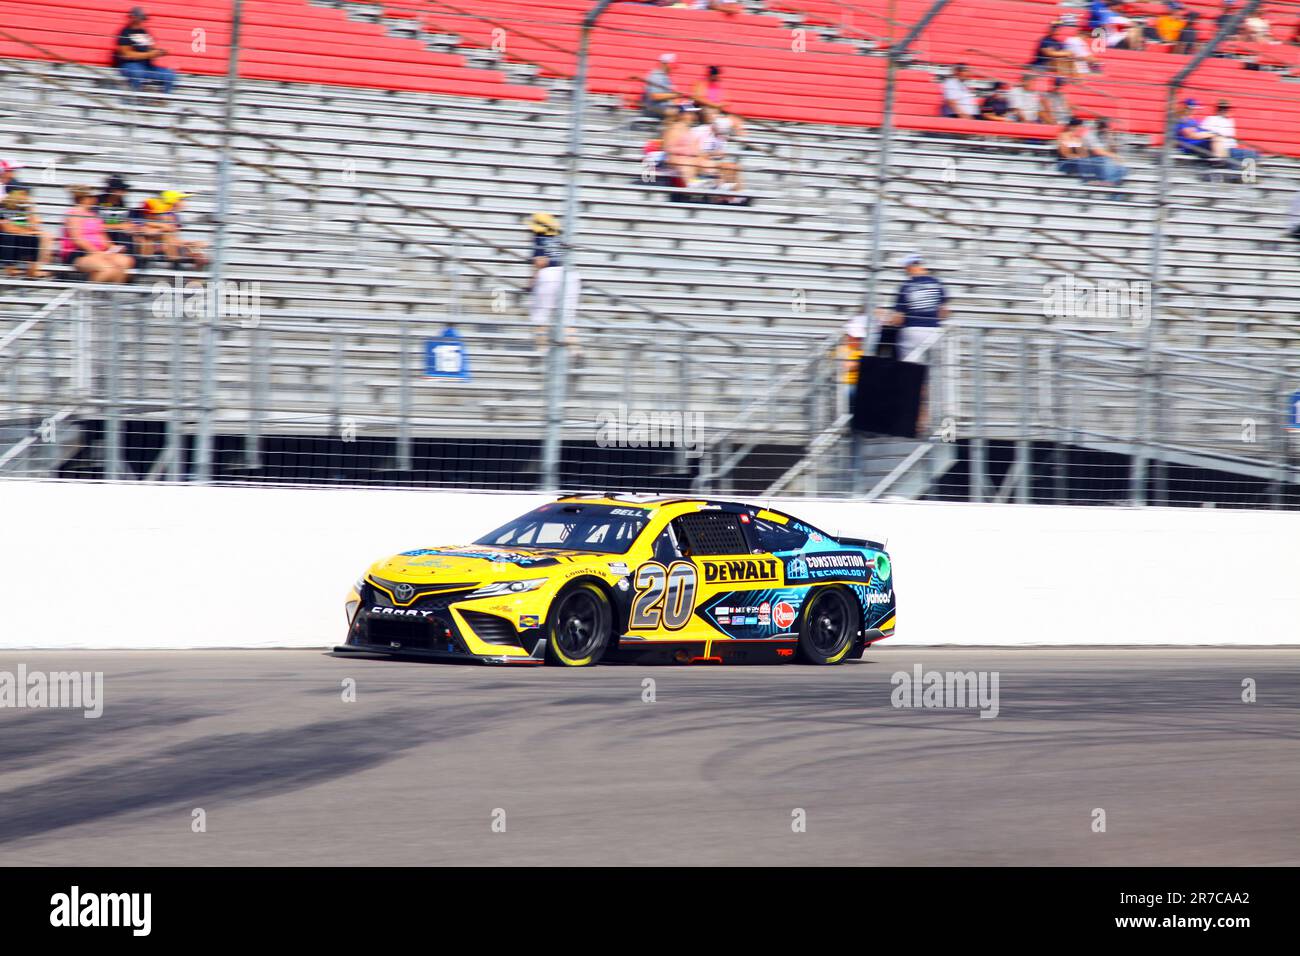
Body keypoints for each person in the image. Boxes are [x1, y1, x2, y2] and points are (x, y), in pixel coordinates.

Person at [526, 212, 580, 349]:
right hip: (570, 275)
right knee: (567, 320)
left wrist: (531, 282)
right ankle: (576, 351)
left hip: (549, 275)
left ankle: (541, 352)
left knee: (540, 318)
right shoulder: (560, 238)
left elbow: (540, 262)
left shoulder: (539, 238)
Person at [61, 185, 133, 283]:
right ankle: (91, 294)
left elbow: (101, 235)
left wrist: (113, 248)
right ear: (83, 199)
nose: (95, 199)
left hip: (98, 252)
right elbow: (77, 239)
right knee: (109, 268)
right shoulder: (74, 214)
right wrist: (96, 252)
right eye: (91, 197)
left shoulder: (93, 215)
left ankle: (110, 293)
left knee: (125, 261)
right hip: (80, 253)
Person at [888, 254, 949, 363]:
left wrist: (891, 321)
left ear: (908, 268)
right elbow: (944, 312)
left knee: (910, 367)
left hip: (912, 330)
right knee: (933, 369)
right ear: (921, 265)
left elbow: (899, 318)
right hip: (934, 330)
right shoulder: (937, 283)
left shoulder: (906, 286)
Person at [114, 7, 177, 94]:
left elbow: (152, 49)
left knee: (169, 74)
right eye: (141, 18)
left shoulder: (144, 32)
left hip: (147, 66)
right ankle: (134, 99)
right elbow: (126, 53)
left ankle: (162, 100)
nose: (143, 21)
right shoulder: (125, 32)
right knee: (137, 73)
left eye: (143, 19)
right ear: (133, 18)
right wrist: (149, 54)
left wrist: (160, 52)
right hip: (129, 65)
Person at [0, 185, 53, 279]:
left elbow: (28, 227)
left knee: (38, 237)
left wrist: (30, 209)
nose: (27, 198)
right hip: (4, 239)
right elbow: (7, 228)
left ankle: (33, 269)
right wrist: (30, 231)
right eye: (25, 195)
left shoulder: (20, 209)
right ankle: (11, 268)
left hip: (16, 238)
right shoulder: (2, 207)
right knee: (9, 236)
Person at [1200, 99, 1258, 168]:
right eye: (1222, 108)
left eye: (1226, 108)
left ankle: (1235, 173)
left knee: (1254, 155)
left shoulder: (1230, 121)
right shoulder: (1210, 119)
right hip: (1220, 149)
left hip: (1230, 149)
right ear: (1218, 109)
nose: (1224, 110)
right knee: (1251, 155)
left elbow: (1231, 138)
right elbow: (1203, 133)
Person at [1082, 118, 1128, 195]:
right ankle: (1110, 185)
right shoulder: (1089, 135)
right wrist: (1115, 156)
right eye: (1102, 128)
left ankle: (1111, 186)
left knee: (1122, 169)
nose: (1103, 130)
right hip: (1090, 160)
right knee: (1109, 161)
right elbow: (1097, 151)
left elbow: (1113, 151)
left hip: (1103, 160)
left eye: (1105, 128)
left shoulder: (1105, 134)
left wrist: (1110, 138)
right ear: (1097, 127)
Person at [641, 53, 679, 119]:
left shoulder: (665, 77)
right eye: (673, 65)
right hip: (654, 108)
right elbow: (655, 96)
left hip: (661, 107)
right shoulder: (656, 77)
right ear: (665, 64)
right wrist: (676, 95)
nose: (674, 67)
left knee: (686, 112)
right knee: (678, 113)